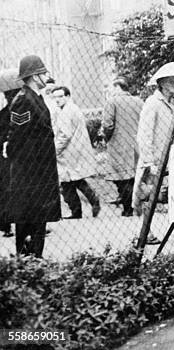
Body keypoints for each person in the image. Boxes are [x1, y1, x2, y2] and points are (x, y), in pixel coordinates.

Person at [2, 56, 61, 257]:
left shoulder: (35, 98)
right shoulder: (23, 101)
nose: (47, 76)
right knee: (28, 219)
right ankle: (28, 261)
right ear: (35, 76)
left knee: (38, 219)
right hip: (30, 175)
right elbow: (17, 139)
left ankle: (35, 259)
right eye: (43, 73)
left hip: (39, 173)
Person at [132, 72, 174, 243]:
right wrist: (149, 161)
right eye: (171, 81)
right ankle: (143, 232)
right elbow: (144, 135)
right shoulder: (152, 103)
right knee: (147, 196)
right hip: (155, 160)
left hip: (173, 158)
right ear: (161, 84)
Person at [52, 86, 101, 219]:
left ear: (67, 96)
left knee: (67, 182)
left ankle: (79, 209)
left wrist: (54, 150)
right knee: (75, 180)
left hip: (69, 152)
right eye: (55, 97)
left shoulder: (66, 112)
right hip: (75, 150)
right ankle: (90, 202)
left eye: (60, 96)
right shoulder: (72, 108)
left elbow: (65, 135)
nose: (57, 100)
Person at [101, 77, 144, 216]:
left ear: (117, 87)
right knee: (134, 177)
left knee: (122, 179)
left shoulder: (112, 102)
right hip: (136, 144)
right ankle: (136, 205)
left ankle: (128, 208)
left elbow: (108, 124)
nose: (110, 90)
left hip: (118, 144)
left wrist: (106, 138)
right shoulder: (138, 101)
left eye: (111, 87)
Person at [0, 69, 22, 238]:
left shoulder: (3, 114)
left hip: (4, 158)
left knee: (5, 190)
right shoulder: (17, 111)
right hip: (15, 157)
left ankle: (6, 225)